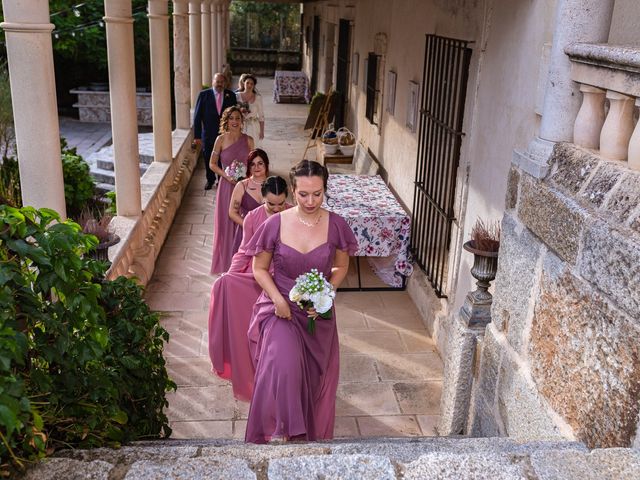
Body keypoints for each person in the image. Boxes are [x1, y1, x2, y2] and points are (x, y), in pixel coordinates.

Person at [244, 160, 358, 444]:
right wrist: (278, 300)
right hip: (280, 310)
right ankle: (281, 432)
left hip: (316, 316)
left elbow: (341, 267)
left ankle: (304, 436)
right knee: (283, 366)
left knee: (313, 381)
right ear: (293, 191)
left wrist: (326, 294)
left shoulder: (336, 226)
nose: (310, 200)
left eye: (317, 193)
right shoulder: (275, 224)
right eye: (303, 194)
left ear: (325, 190)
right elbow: (259, 269)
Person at [208, 176, 290, 402]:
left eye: (280, 203)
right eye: (270, 204)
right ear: (262, 199)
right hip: (259, 273)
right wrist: (230, 274)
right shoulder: (253, 218)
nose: (276, 208)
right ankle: (257, 372)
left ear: (287, 198)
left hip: (285, 277)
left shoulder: (293, 214)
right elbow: (245, 251)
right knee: (238, 302)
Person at [209, 106, 255, 274]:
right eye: (232, 118)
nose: (235, 121)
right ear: (226, 121)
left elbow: (253, 164)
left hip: (244, 187)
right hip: (227, 187)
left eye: (238, 118)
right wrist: (226, 175)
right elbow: (212, 164)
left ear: (242, 121)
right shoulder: (220, 140)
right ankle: (225, 265)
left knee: (243, 222)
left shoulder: (249, 140)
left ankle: (241, 263)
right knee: (225, 224)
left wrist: (248, 178)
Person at [193, 72, 237, 190]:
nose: (219, 84)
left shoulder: (231, 95)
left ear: (225, 83)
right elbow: (197, 117)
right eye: (217, 82)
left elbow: (235, 115)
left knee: (224, 157)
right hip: (208, 134)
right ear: (213, 82)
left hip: (225, 134)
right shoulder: (203, 95)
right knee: (208, 157)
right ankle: (210, 180)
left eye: (222, 82)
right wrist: (197, 136)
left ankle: (221, 180)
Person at [228, 149, 270, 253]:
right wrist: (249, 227)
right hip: (246, 234)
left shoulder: (274, 184)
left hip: (269, 235)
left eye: (260, 163)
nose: (256, 167)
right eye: (252, 164)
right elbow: (232, 213)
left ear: (266, 164)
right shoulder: (242, 186)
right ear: (249, 167)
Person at [235, 74, 265, 145]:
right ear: (243, 83)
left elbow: (261, 116)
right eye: (247, 83)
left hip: (253, 127)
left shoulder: (258, 98)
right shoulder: (237, 96)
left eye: (252, 84)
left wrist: (262, 131)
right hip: (240, 126)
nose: (249, 85)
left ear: (254, 86)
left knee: (252, 147)